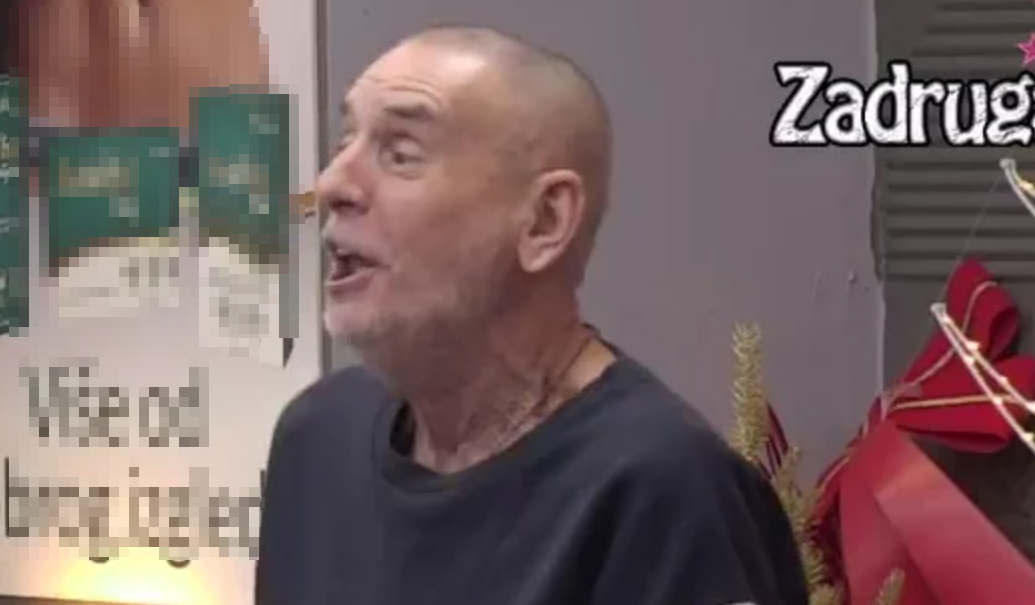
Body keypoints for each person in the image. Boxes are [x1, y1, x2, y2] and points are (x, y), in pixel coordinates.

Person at [255, 24, 808, 605]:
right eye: (345, 142)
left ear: (545, 221)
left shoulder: (666, 491)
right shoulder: (318, 439)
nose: (332, 183)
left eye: (400, 154)